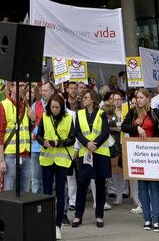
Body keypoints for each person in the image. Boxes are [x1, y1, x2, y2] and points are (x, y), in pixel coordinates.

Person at [122, 87, 159, 231]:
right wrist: (136, 128)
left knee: (154, 186)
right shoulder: (132, 112)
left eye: (142, 97)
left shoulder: (155, 113)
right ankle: (147, 219)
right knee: (142, 186)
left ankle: (156, 219)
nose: (139, 100)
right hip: (138, 154)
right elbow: (124, 127)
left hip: (152, 154)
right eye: (137, 97)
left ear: (148, 98)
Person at [71, 89, 110, 228]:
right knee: (82, 184)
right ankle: (78, 216)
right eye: (83, 97)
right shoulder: (79, 113)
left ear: (92, 99)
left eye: (86, 97)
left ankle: (99, 215)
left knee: (100, 185)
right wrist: (87, 144)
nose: (83, 99)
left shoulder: (101, 113)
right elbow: (77, 132)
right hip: (85, 153)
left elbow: (105, 132)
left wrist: (95, 145)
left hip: (100, 153)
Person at [38, 92, 75, 239]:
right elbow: (39, 135)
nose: (54, 110)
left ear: (62, 107)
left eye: (57, 107)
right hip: (47, 160)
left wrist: (59, 143)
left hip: (62, 160)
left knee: (60, 193)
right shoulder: (45, 117)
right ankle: (47, 223)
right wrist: (44, 142)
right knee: (47, 193)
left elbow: (72, 138)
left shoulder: (68, 118)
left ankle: (58, 225)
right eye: (52, 107)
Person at [0, 81, 34, 193]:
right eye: (20, 85)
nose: (22, 88)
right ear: (11, 87)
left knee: (25, 191)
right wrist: (0, 159)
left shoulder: (26, 105)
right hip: (10, 154)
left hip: (26, 153)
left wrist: (33, 120)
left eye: (23, 86)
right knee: (7, 191)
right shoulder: (3, 105)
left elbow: (28, 130)